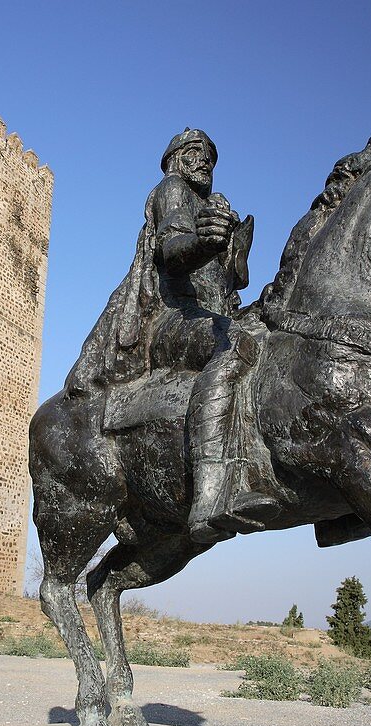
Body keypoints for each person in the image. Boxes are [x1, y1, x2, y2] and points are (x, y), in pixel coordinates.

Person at [66, 128, 280, 543]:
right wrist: (204, 239)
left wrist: (233, 243)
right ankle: (214, 490)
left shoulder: (206, 203)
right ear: (176, 158)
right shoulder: (172, 190)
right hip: (169, 320)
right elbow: (173, 251)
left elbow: (232, 281)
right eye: (197, 154)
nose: (206, 163)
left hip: (208, 315)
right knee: (238, 345)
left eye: (211, 159)